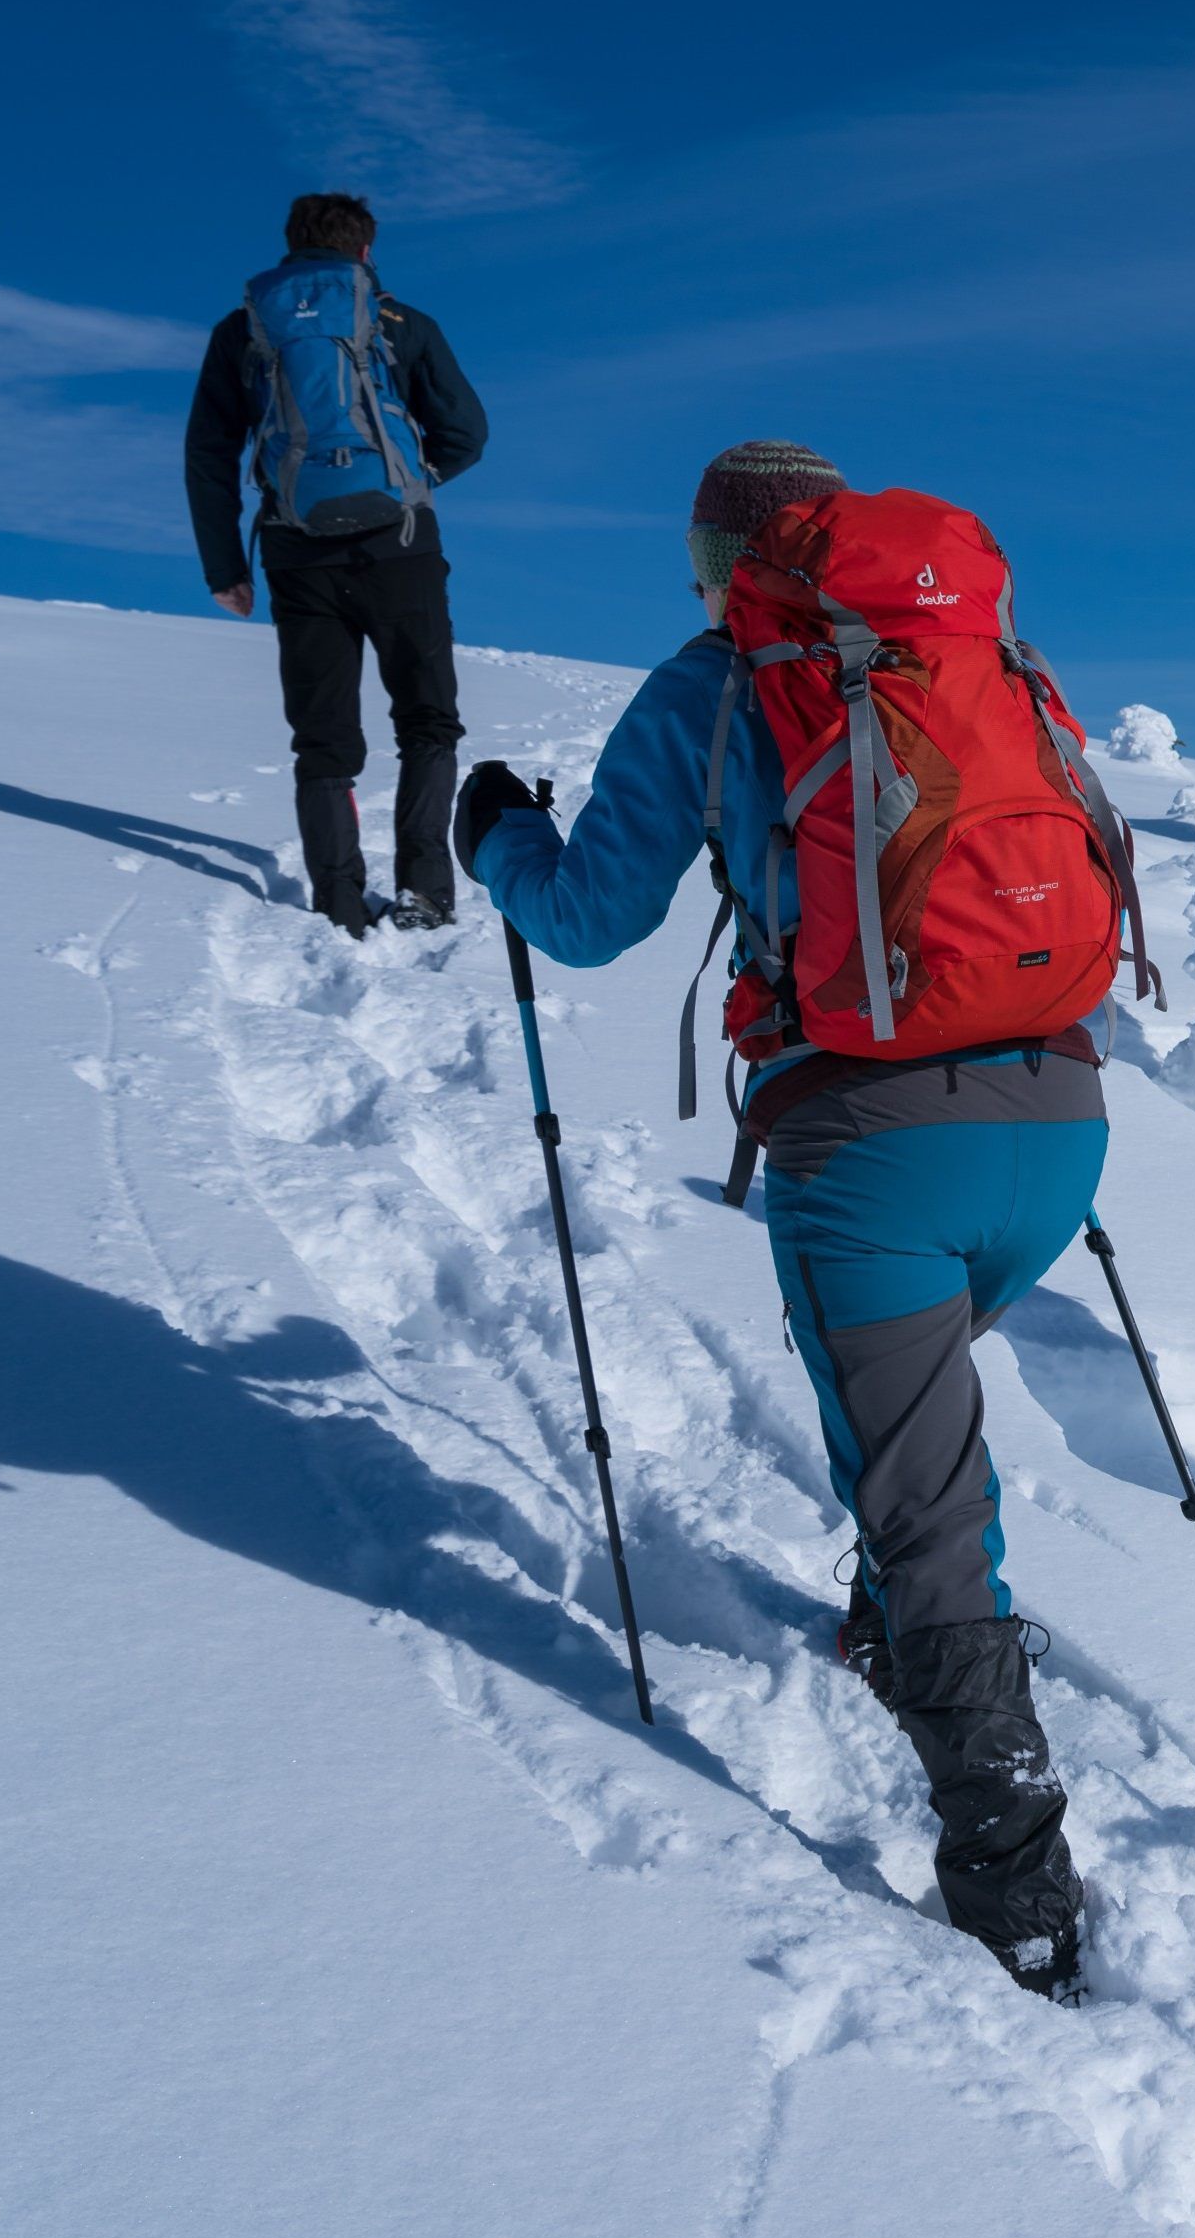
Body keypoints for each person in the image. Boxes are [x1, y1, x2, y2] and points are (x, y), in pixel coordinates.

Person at [456, 442, 1106, 2001]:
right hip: (1059, 1114)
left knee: (927, 1506)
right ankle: (894, 1636)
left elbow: (590, 914)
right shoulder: (970, 653)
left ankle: (1017, 1896)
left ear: (720, 557)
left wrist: (495, 837)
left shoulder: (719, 674)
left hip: (871, 1140)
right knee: (914, 1444)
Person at [186, 191, 490, 934]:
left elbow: (209, 454)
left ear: (291, 245)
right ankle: (424, 894)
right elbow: (467, 432)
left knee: (322, 737)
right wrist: (409, 483)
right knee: (427, 721)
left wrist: (226, 566)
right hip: (402, 547)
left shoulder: (245, 331)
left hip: (297, 552)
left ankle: (339, 902)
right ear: (364, 250)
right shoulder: (398, 322)